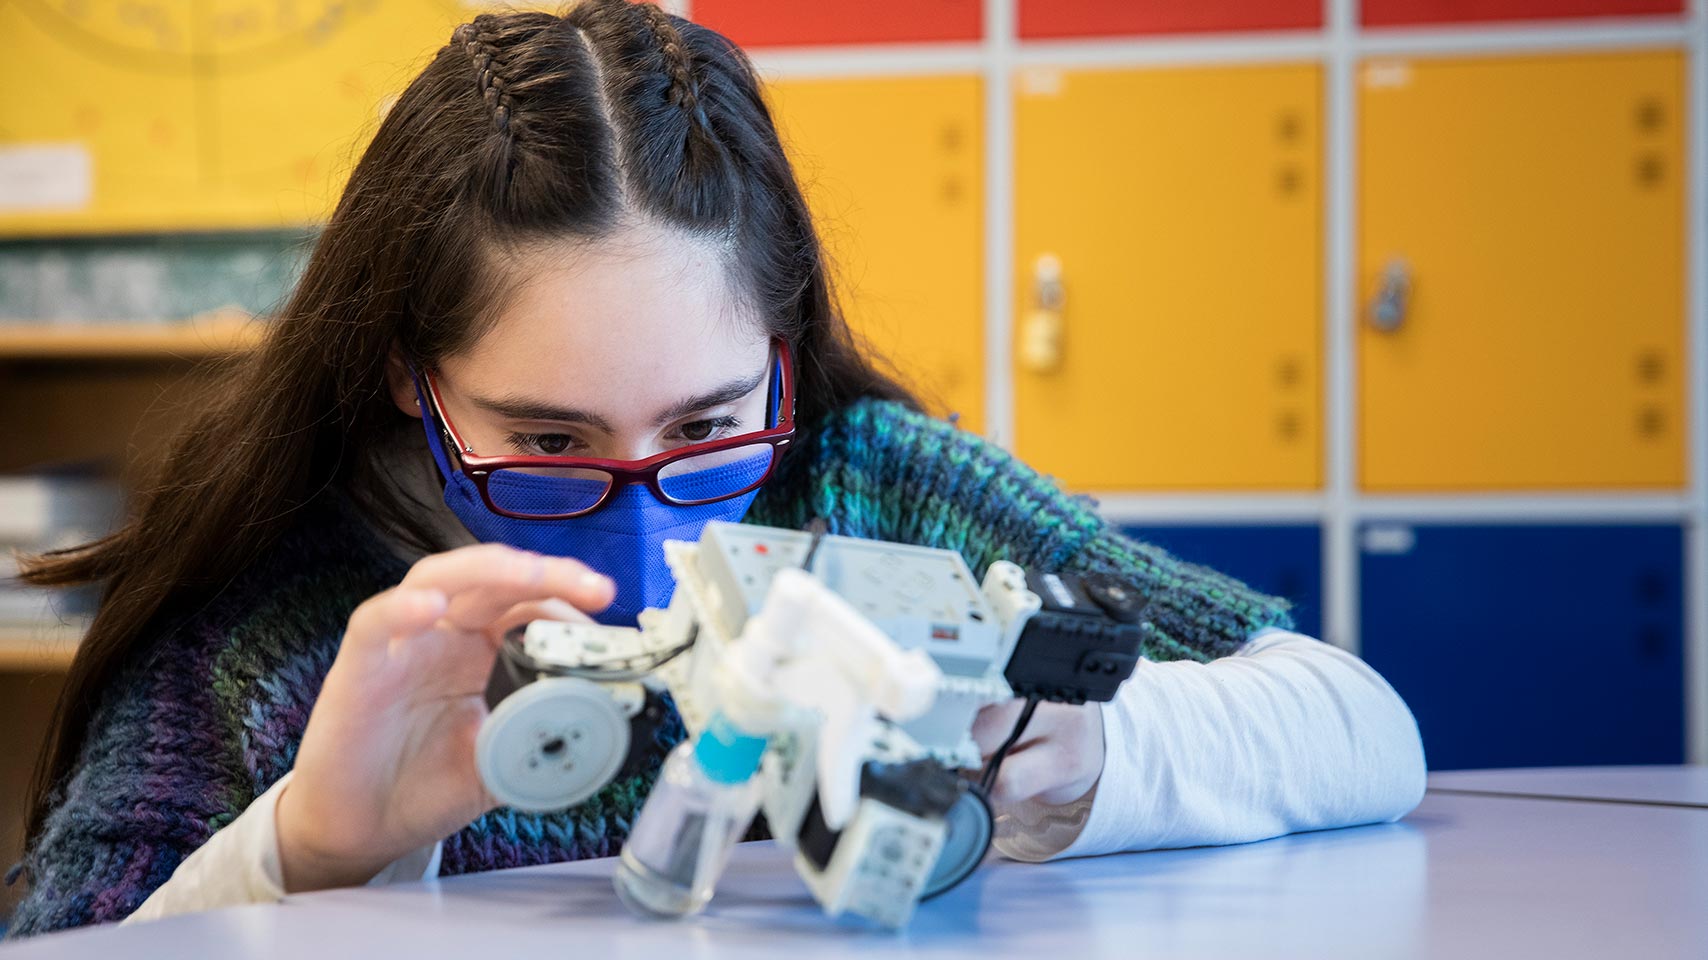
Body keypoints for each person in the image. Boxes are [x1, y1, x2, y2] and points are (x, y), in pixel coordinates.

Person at [4, 1, 1424, 938]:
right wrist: (304, 851)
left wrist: (1080, 758)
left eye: (703, 433)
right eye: (550, 445)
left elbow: (1359, 721)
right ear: (406, 376)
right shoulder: (283, 621)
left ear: (783, 356)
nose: (636, 530)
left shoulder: (874, 489)